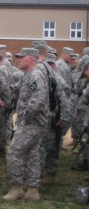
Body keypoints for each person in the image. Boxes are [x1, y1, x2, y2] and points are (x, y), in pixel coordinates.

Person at [3, 48, 49, 201]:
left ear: (31, 59)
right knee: (32, 155)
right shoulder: (28, 75)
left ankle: (17, 188)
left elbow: (38, 98)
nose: (18, 60)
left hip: (31, 123)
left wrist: (25, 117)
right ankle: (33, 190)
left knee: (14, 152)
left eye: (22, 57)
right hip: (33, 123)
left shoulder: (35, 75)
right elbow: (18, 88)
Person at [41, 52, 72, 183]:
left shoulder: (57, 80)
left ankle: (50, 174)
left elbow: (65, 101)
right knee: (42, 148)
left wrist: (64, 119)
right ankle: (40, 173)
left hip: (54, 121)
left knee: (52, 148)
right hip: (44, 121)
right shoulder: (43, 78)